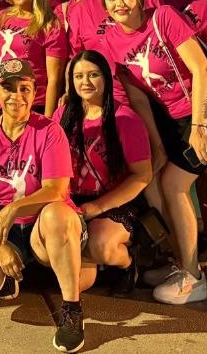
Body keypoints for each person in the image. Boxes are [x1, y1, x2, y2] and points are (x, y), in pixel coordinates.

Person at [97, 0, 207, 304]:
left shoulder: (163, 17)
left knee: (174, 185)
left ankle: (194, 277)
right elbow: (138, 97)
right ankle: (179, 260)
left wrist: (199, 127)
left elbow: (202, 69)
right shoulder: (111, 40)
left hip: (202, 111)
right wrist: (158, 147)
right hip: (167, 120)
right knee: (151, 182)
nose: (120, 3)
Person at [0, 58, 87, 354]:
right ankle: (4, 278)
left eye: (24, 88)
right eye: (8, 88)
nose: (16, 96)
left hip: (44, 225)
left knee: (57, 213)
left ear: (34, 92)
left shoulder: (49, 131)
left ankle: (72, 310)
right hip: (3, 227)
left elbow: (55, 190)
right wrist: (0, 247)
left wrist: (14, 209)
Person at [145, 0, 207, 268]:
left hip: (201, 93)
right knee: (168, 171)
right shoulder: (152, 0)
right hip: (163, 98)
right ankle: (174, 242)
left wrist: (195, 50)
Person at [55, 50, 152, 292]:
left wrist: (97, 207)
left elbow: (142, 175)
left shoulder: (125, 119)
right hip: (73, 201)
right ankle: (91, 263)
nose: (85, 82)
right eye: (78, 76)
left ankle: (127, 263)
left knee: (100, 246)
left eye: (93, 75)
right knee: (76, 284)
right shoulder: (62, 115)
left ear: (106, 78)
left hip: (114, 201)